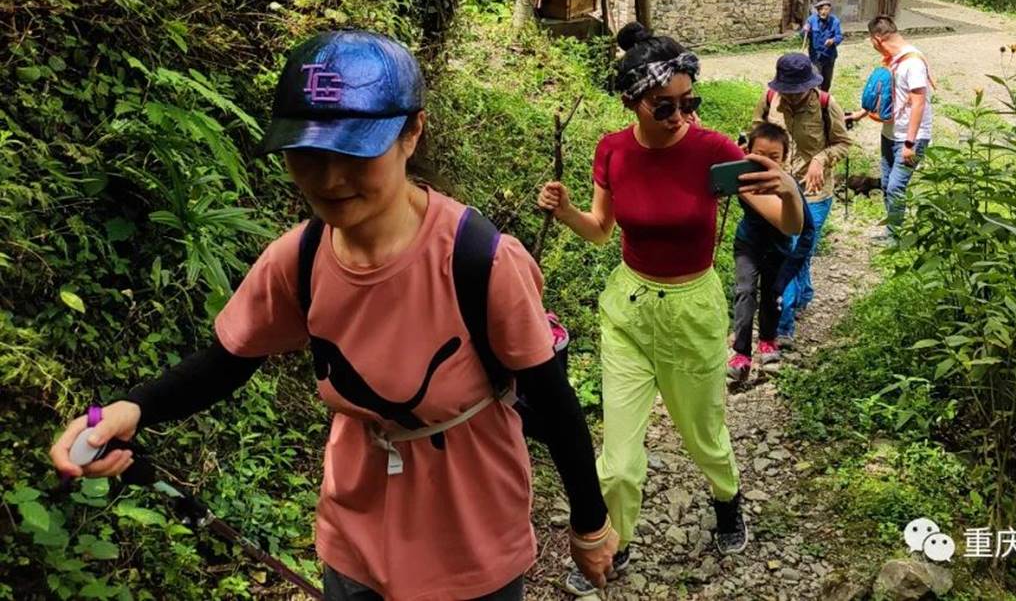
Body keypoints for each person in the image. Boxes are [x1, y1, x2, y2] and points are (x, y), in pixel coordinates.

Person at [50, 30, 617, 601]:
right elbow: (228, 361)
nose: (327, 179)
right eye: (307, 154)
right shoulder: (298, 259)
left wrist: (589, 525)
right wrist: (131, 408)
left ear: (412, 133)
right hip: (355, 535)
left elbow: (551, 396)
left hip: (471, 541)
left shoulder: (477, 259)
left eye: (353, 152)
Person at [538, 22, 804, 595]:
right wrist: (563, 211)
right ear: (633, 100)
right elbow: (600, 229)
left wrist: (789, 192)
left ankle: (728, 500)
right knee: (619, 457)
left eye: (690, 102)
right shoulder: (612, 149)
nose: (681, 115)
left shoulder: (711, 151)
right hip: (629, 309)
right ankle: (615, 544)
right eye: (666, 105)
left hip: (692, 309)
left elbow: (785, 223)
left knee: (704, 433)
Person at [750, 53, 852, 343]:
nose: (792, 96)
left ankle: (781, 328)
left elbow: (843, 143)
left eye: (797, 90)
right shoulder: (770, 99)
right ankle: (799, 300)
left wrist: (822, 157)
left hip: (814, 192)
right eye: (787, 90)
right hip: (778, 190)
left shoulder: (825, 104)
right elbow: (757, 132)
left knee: (795, 250)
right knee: (792, 251)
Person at [726, 122, 815, 383]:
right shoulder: (742, 179)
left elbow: (806, 230)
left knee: (772, 294)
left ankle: (767, 343)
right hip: (749, 245)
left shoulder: (788, 188)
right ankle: (741, 354)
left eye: (774, 157)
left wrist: (790, 270)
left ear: (785, 160)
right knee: (744, 292)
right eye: (759, 155)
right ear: (748, 152)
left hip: (779, 248)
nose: (765, 162)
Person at [866, 15, 934, 245]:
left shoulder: (912, 63)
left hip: (909, 138)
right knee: (887, 184)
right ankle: (890, 233)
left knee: (896, 186)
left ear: (877, 39)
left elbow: (918, 102)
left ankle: (895, 237)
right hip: (890, 132)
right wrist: (860, 113)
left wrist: (909, 143)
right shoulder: (893, 60)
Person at [803, 0, 844, 91]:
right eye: (821, 9)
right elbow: (804, 35)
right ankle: (816, 99)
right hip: (815, 56)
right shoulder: (811, 20)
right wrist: (804, 30)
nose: (824, 12)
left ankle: (824, 100)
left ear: (829, 10)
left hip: (829, 56)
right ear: (818, 11)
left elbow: (839, 36)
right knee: (816, 80)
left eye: (826, 9)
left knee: (827, 81)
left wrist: (833, 40)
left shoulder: (835, 21)